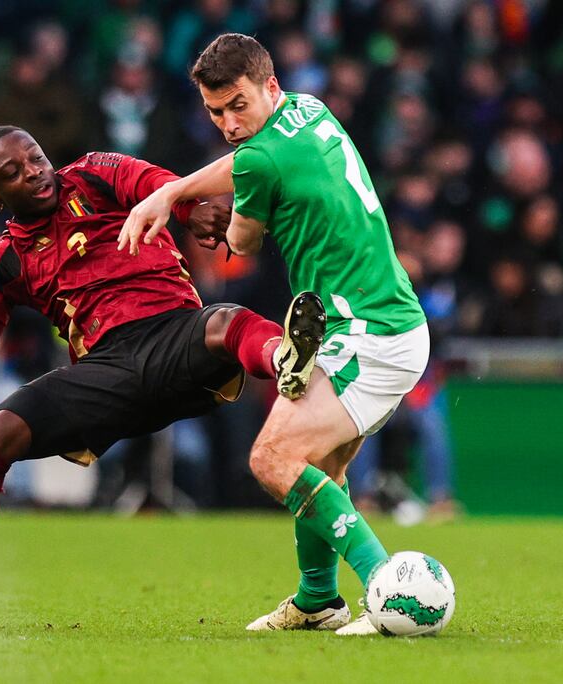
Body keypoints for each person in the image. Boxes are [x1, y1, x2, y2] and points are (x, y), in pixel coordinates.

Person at [0, 124, 319, 632]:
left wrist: (194, 208)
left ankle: (284, 361)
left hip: (178, 338)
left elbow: (163, 187)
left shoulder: (96, 174)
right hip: (107, 372)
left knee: (228, 320)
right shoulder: (1, 264)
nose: (35, 172)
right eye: (14, 171)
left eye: (36, 158)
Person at [119, 33, 429, 636]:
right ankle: (317, 601)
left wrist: (204, 215)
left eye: (238, 105)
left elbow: (242, 243)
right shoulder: (309, 109)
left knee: (272, 458)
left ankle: (390, 588)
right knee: (319, 468)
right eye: (215, 112)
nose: (229, 123)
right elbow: (245, 162)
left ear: (269, 87)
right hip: (383, 322)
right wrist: (177, 190)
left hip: (368, 333)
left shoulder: (259, 162)